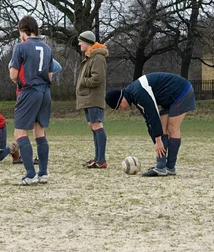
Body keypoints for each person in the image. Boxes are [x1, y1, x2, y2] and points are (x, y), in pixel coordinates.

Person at [105, 72, 197, 176]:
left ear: (120, 99)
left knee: (172, 128)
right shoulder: (133, 94)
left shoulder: (138, 92)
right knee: (161, 129)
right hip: (169, 98)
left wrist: (158, 141)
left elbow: (153, 114)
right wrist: (156, 141)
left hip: (181, 91)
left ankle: (170, 167)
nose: (122, 109)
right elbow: (148, 120)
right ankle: (161, 166)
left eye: (119, 106)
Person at [9, 15, 54, 185]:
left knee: (20, 132)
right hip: (45, 92)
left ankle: (30, 174)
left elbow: (13, 74)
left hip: (28, 91)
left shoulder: (20, 47)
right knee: (39, 132)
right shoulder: (47, 48)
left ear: (23, 30)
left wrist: (20, 83)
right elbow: (50, 74)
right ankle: (43, 173)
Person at [76, 30, 108, 169]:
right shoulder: (89, 57)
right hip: (87, 99)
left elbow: (98, 79)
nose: (79, 43)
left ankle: (101, 160)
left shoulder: (98, 58)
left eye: (81, 41)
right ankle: (97, 158)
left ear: (87, 42)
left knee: (97, 125)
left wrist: (82, 81)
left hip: (93, 98)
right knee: (92, 126)